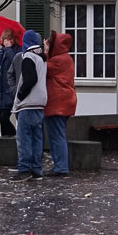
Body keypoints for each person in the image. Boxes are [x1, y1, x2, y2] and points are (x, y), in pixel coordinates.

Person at [12, 30, 47, 182]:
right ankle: (36, 169)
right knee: (37, 138)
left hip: (28, 104)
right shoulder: (42, 58)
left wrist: (20, 95)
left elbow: (30, 79)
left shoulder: (28, 57)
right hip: (40, 103)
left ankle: (24, 169)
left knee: (24, 138)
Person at [44, 32, 77, 177]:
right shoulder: (66, 58)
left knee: (57, 136)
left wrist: (45, 52)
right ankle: (60, 165)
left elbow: (43, 68)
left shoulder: (58, 60)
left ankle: (61, 167)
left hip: (58, 103)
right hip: (65, 102)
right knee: (59, 134)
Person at [0, 30, 20, 137]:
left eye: (9, 39)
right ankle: (6, 141)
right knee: (2, 118)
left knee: (5, 117)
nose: (7, 41)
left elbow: (15, 61)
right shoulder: (1, 52)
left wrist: (9, 49)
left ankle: (13, 137)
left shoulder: (16, 51)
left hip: (11, 90)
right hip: (1, 89)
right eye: (5, 39)